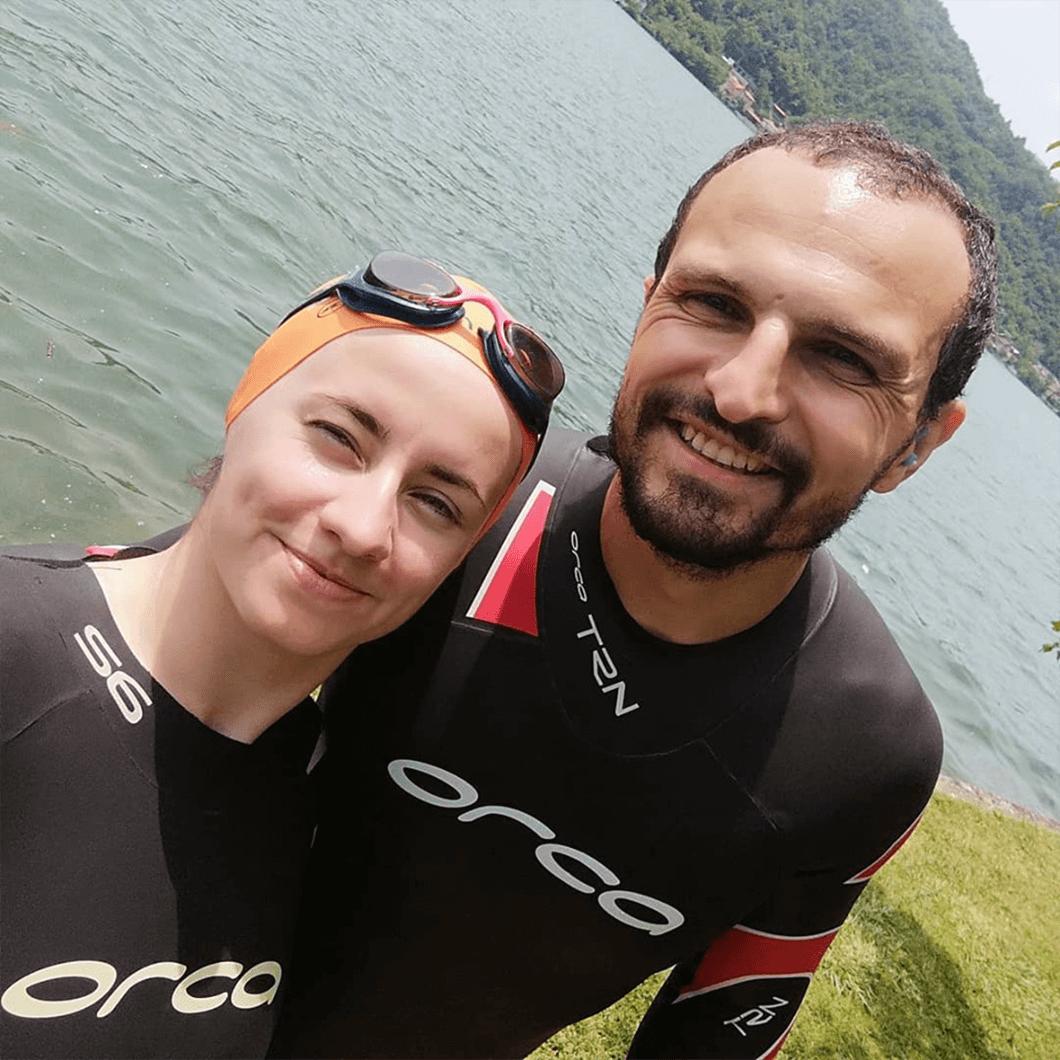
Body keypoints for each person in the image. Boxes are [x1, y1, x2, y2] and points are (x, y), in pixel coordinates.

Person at [267, 121, 999, 1060]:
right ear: (650, 302)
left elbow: (714, 1033)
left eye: (844, 359)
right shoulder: (446, 512)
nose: (742, 391)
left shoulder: (865, 750)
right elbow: (139, 689)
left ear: (919, 443)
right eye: (713, 303)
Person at [0, 252, 564, 1060]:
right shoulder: (14, 646)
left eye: (435, 503)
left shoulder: (331, 807)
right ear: (246, 401)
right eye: (339, 438)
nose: (364, 527)